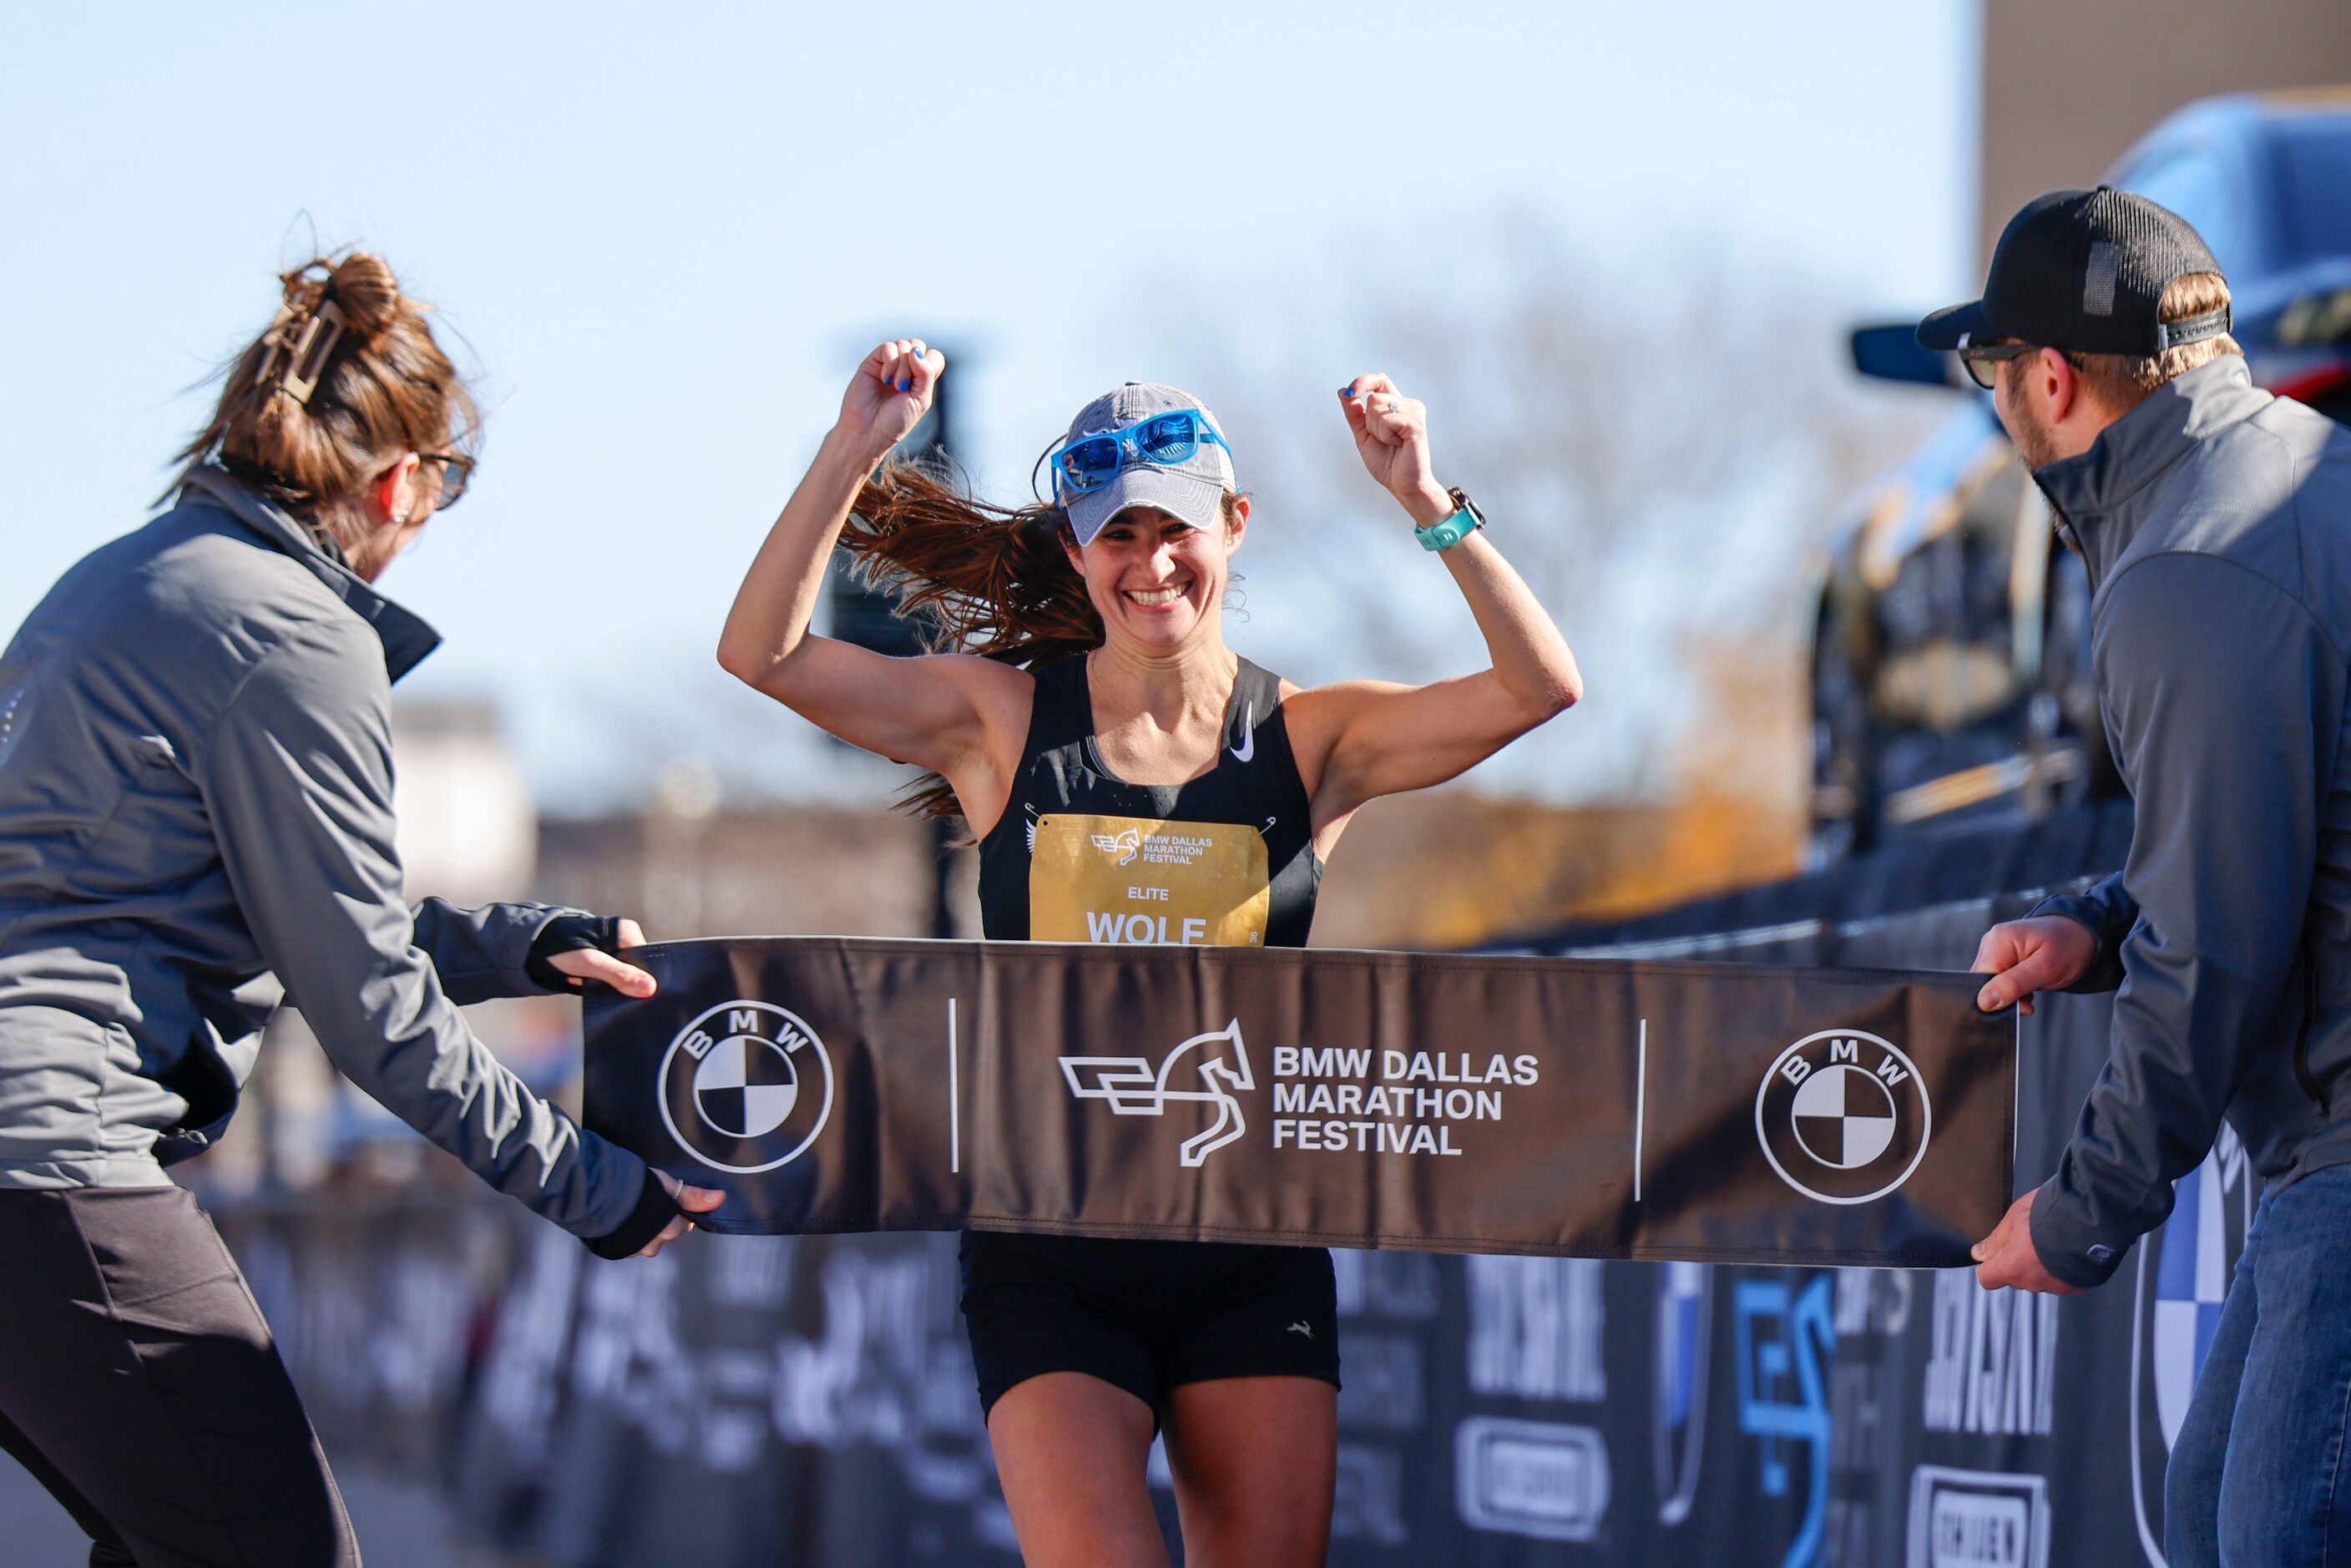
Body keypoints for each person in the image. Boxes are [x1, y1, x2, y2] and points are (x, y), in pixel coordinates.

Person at [720, 340, 1581, 1565]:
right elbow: (763, 656)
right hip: (1053, 1247)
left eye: (1176, 529)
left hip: (1250, 1249)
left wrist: (1426, 501)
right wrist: (851, 456)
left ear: (1234, 525)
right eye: (1115, 536)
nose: (1151, 562)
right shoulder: (1001, 722)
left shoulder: (1307, 737)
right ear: (1077, 553)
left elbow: (1540, 685)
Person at [0, 251, 723, 1568]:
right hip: (49, 1159)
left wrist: (512, 945)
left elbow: (274, 910)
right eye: (449, 486)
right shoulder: (292, 630)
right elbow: (370, 1009)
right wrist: (602, 1187)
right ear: (401, 480)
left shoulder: (122, 580)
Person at [1948, 190, 2351, 1563]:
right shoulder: (2296, 470)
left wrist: (2079, 1214)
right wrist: (2094, 927)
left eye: (1990, 369)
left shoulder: (2187, 563)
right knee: (2211, 1515)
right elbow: (2278, 834)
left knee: (2271, 1533)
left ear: (2048, 379)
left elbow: (2218, 954)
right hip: (2328, 1147)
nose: (1996, 403)